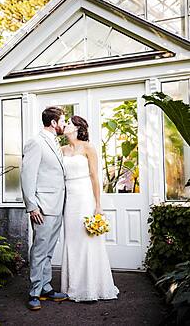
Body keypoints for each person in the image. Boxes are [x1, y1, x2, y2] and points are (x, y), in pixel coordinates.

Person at [61, 115, 119, 302]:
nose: (66, 125)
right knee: (72, 241)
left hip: (85, 197)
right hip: (68, 199)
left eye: (69, 123)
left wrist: (98, 205)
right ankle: (73, 286)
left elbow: (95, 177)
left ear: (78, 128)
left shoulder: (88, 147)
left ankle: (93, 286)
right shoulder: (60, 149)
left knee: (88, 239)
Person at [21, 106, 68, 311]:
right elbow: (27, 176)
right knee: (39, 250)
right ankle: (34, 292)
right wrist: (32, 206)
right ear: (54, 123)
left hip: (57, 205)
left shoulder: (55, 142)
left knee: (49, 250)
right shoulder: (36, 142)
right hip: (42, 207)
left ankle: (46, 287)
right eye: (63, 121)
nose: (65, 125)